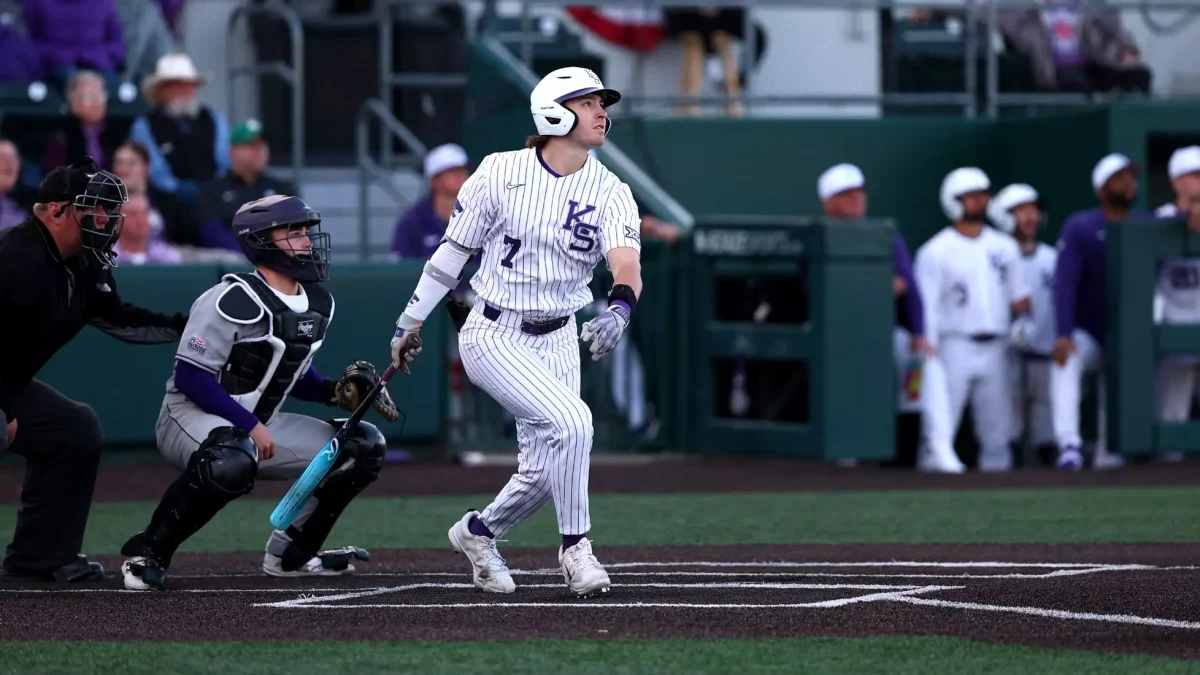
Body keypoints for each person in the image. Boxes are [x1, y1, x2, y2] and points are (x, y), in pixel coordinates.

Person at [387, 66, 643, 597]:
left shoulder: (612, 188)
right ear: (554, 112)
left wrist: (618, 311)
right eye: (588, 102)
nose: (601, 112)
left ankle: (478, 533)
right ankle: (576, 551)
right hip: (493, 331)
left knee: (549, 470)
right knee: (574, 421)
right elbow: (450, 256)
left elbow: (626, 267)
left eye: (603, 103)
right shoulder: (498, 172)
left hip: (559, 336)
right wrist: (410, 321)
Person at [119, 194, 400, 591]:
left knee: (361, 446)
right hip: (189, 419)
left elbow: (292, 372)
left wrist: (333, 393)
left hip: (257, 427)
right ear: (260, 240)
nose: (306, 240)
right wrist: (250, 426)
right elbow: (191, 378)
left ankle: (291, 555)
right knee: (229, 458)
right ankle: (147, 554)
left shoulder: (317, 302)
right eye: (294, 232)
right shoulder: (229, 298)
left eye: (306, 231)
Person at [0, 157, 187, 582]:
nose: (105, 219)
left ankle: (40, 558)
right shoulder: (13, 258)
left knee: (74, 430)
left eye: (108, 209)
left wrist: (189, 326)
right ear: (55, 211)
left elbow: (117, 317)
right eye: (93, 207)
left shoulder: (84, 262)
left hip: (6, 384)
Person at [914, 167, 1032, 473]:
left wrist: (1023, 320)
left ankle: (997, 499)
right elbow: (926, 304)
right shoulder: (935, 251)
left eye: (982, 196)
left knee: (997, 433)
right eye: (971, 197)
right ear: (954, 202)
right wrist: (929, 347)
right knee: (940, 427)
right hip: (954, 344)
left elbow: (1020, 296)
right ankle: (926, 487)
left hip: (997, 345)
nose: (979, 202)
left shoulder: (1004, 246)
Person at [817, 162, 933, 467]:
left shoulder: (885, 236)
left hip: (887, 330)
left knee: (913, 371)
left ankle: (904, 459)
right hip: (838, 335)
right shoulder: (821, 236)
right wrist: (877, 288)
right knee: (846, 384)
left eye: (858, 193)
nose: (855, 200)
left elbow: (907, 286)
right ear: (827, 202)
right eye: (845, 195)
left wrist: (919, 333)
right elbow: (822, 292)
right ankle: (845, 456)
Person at [1051, 153, 1153, 470]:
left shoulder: (1147, 221)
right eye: (1119, 178)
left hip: (1131, 333)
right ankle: (1069, 445)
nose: (1127, 183)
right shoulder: (1081, 226)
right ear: (1102, 188)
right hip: (1089, 331)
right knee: (1066, 360)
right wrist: (1063, 333)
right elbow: (1064, 282)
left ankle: (1113, 451)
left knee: (1125, 382)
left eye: (1130, 177)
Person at [129, 53, 231, 246]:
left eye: (190, 85)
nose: (186, 91)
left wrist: (210, 190)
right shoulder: (145, 126)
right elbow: (157, 173)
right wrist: (191, 192)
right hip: (171, 202)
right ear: (162, 91)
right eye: (178, 86)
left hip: (214, 194)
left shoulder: (214, 119)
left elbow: (224, 162)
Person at [988, 183, 1058, 466]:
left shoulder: (1052, 258)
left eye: (1033, 210)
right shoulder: (992, 255)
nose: (1030, 217)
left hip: (1046, 353)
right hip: (1005, 355)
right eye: (1021, 211)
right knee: (1007, 432)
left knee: (1047, 435)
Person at [1150, 146, 1200, 462]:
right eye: (1195, 175)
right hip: (1174, 329)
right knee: (1171, 423)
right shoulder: (1160, 219)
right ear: (1177, 181)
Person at [196, 119, 298, 252]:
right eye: (252, 144)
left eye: (263, 144)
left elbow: (300, 230)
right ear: (233, 151)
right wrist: (252, 254)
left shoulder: (283, 190)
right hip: (234, 263)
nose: (260, 150)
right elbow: (212, 233)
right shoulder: (211, 191)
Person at [391, 143, 470, 260]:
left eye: (463, 170)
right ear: (434, 181)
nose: (460, 175)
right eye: (452, 171)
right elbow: (401, 269)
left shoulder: (482, 215)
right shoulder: (413, 220)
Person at [43, 70, 131, 173]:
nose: (97, 103)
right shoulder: (62, 137)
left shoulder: (118, 134)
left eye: (101, 95)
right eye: (90, 97)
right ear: (73, 103)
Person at [112, 191, 181, 264]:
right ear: (117, 220)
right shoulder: (107, 258)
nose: (141, 220)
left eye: (144, 213)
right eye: (133, 214)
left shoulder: (168, 258)